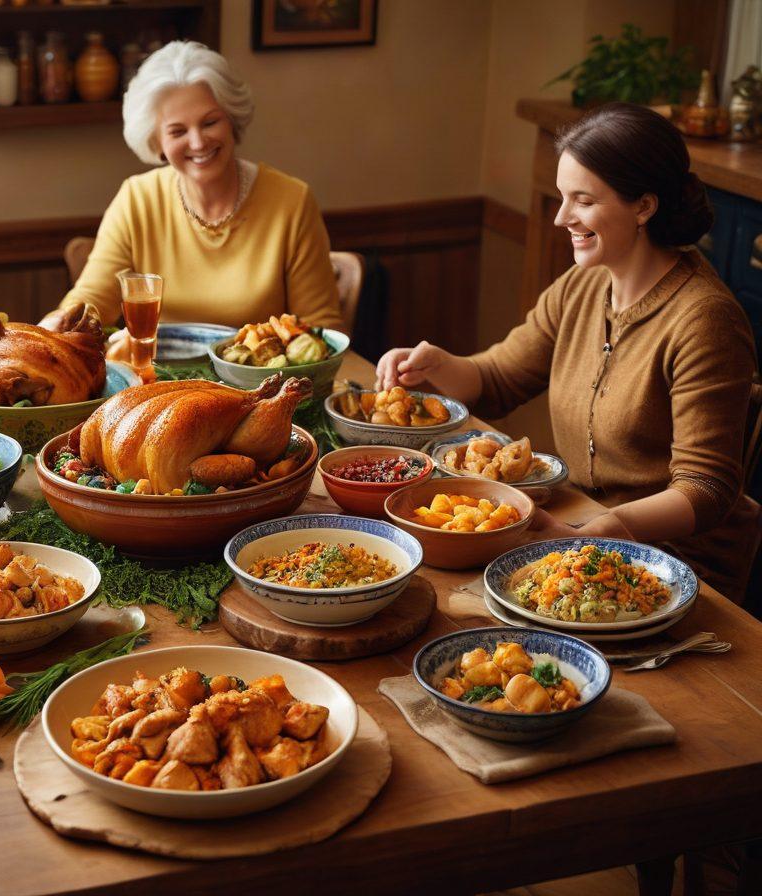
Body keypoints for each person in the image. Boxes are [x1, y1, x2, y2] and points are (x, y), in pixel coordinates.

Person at [375, 102, 758, 600]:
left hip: (679, 565)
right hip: (579, 528)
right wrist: (437, 364)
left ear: (644, 206)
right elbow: (497, 381)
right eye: (562, 197)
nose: (561, 218)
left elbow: (706, 491)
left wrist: (603, 529)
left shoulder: (705, 319)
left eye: (583, 201)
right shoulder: (584, 283)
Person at [56, 40, 344, 334]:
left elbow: (321, 327)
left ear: (232, 120)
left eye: (210, 122)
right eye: (178, 131)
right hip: (162, 377)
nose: (197, 142)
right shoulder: (137, 199)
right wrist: (52, 328)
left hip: (262, 379)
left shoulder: (291, 202)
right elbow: (92, 300)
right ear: (157, 144)